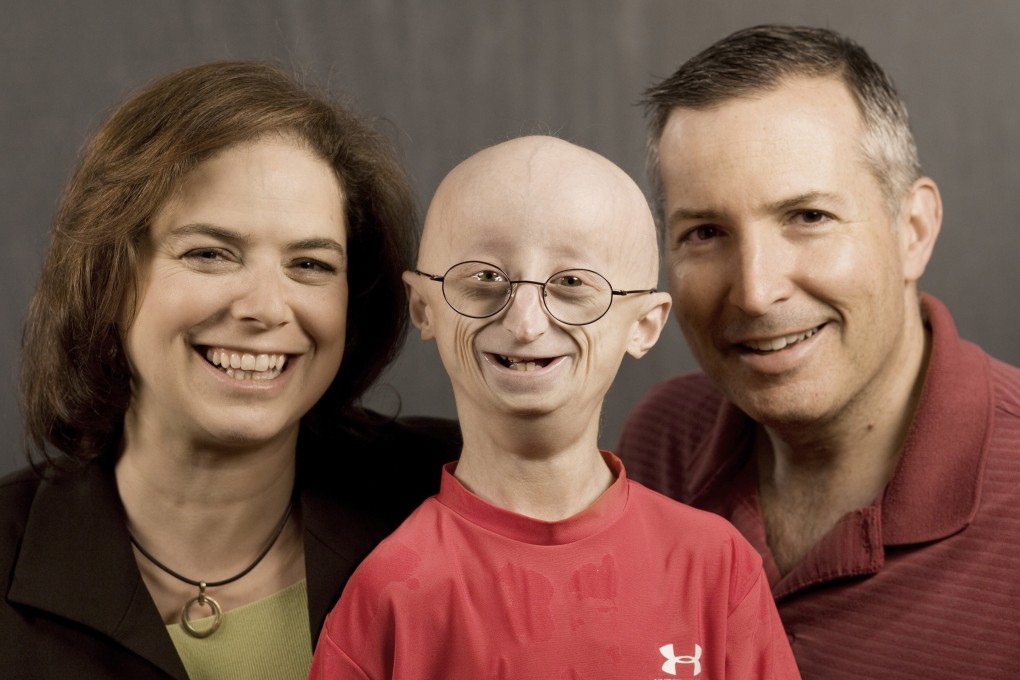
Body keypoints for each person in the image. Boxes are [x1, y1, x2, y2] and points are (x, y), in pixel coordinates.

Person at [0, 61, 459, 679]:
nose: (266, 308)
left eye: (311, 265)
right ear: (108, 274)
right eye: (210, 254)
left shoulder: (449, 496)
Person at [309, 135, 801, 679]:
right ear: (423, 308)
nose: (525, 322)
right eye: (484, 278)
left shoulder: (715, 569)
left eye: (571, 283)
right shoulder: (389, 591)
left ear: (644, 325)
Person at [618, 24, 1020, 679]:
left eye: (808, 217)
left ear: (912, 231)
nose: (754, 291)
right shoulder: (661, 445)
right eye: (706, 231)